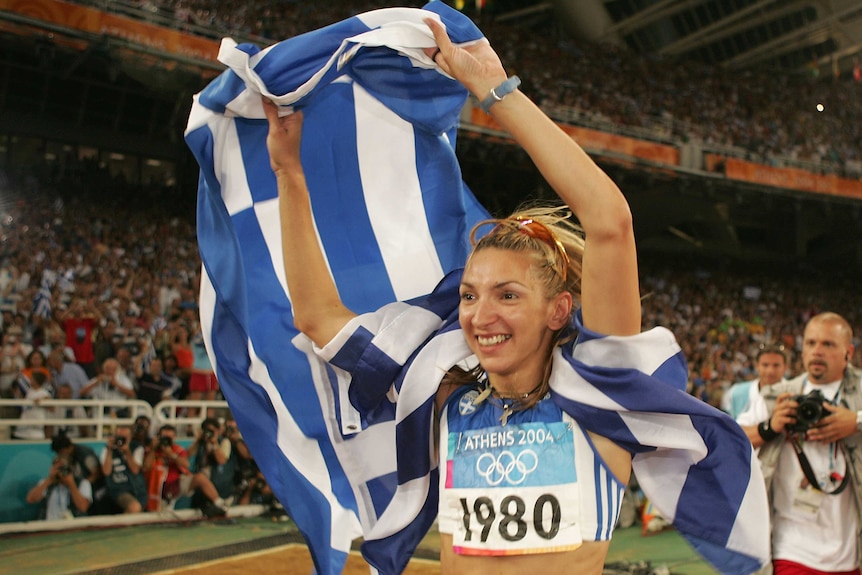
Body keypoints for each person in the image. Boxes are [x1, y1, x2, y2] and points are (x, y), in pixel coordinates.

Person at [262, 16, 766, 574]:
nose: (480, 315)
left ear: (558, 310)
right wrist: (289, 175)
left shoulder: (600, 404)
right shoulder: (448, 398)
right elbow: (316, 317)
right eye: (470, 295)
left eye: (507, 295)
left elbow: (609, 223)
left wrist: (494, 92)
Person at [743, 312, 862, 574]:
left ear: (848, 352)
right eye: (810, 343)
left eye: (828, 344)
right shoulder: (778, 397)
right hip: (792, 549)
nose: (817, 351)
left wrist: (856, 422)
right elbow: (733, 439)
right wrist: (769, 427)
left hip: (851, 550)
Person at [725, 343, 788, 421]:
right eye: (765, 365)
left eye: (776, 365)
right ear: (757, 366)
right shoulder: (736, 393)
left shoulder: (795, 392)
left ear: (785, 367)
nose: (770, 371)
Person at [25, 453, 93, 520]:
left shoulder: (83, 483)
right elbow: (30, 499)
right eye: (57, 468)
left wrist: (71, 484)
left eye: (62, 468)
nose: (60, 471)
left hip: (73, 526)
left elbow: (83, 507)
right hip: (49, 525)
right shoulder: (46, 483)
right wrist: (50, 479)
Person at [98, 425, 147, 514]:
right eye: (119, 437)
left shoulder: (137, 448)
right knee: (134, 507)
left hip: (137, 488)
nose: (121, 440)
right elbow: (106, 472)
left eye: (124, 437)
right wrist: (109, 450)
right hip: (118, 489)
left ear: (130, 437)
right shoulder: (107, 449)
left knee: (138, 509)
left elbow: (135, 470)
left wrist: (127, 452)